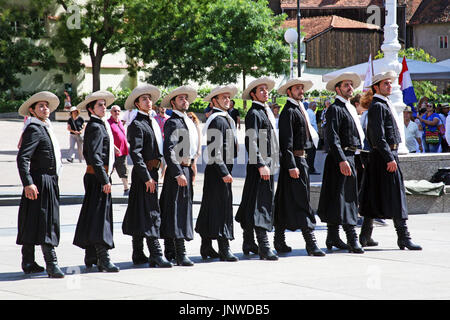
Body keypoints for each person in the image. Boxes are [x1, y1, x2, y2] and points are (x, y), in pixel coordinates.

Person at [359, 71, 422, 251]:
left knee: (373, 196)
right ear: (376, 87)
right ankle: (404, 237)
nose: (389, 86)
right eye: (385, 83)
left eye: (389, 83)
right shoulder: (378, 106)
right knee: (396, 197)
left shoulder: (382, 104)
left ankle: (364, 236)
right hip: (384, 157)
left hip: (383, 156)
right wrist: (389, 157)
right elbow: (377, 136)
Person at [121, 84, 172, 268]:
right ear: (137, 103)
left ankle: (138, 252)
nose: (148, 102)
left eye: (149, 98)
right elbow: (135, 153)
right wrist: (147, 177)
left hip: (153, 172)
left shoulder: (150, 121)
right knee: (151, 212)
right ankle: (156, 253)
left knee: (139, 211)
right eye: (144, 99)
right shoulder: (136, 124)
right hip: (145, 175)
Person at [274, 79, 325, 257]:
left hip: (300, 160)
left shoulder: (298, 108)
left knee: (283, 202)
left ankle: (279, 241)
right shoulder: (288, 111)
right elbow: (285, 143)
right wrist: (291, 165)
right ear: (289, 92)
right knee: (302, 202)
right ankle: (311, 244)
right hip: (294, 162)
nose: (301, 91)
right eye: (297, 88)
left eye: (302, 88)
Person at [16, 91, 64, 278]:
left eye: (46, 106)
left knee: (33, 221)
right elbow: (23, 158)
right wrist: (28, 183)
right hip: (38, 182)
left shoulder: (44, 127)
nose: (45, 109)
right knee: (46, 223)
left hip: (48, 181)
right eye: (41, 106)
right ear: (32, 110)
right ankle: (52, 264)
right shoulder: (34, 129)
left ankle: (28, 261)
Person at [317, 72, 365, 254]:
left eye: (351, 85)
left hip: (351, 156)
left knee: (339, 198)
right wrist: (342, 159)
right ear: (337, 89)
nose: (350, 88)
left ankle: (332, 236)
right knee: (345, 199)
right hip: (341, 159)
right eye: (346, 85)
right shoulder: (335, 109)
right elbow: (332, 137)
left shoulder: (349, 107)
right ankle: (352, 239)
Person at [73, 90, 120, 272]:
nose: (104, 107)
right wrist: (104, 179)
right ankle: (103, 257)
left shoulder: (100, 125)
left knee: (94, 215)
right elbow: (94, 155)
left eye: (104, 104)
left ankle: (91, 255)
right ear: (91, 109)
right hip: (97, 177)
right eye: (99, 105)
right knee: (101, 218)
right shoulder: (94, 126)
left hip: (99, 176)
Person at [235, 77, 279, 261]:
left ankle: (248, 242)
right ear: (253, 94)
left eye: (266, 89)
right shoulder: (254, 113)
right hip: (259, 165)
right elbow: (250, 141)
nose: (265, 92)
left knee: (252, 202)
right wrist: (261, 164)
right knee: (261, 204)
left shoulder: (263, 111)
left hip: (265, 164)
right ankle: (263, 246)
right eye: (261, 90)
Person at [195, 85, 239, 262]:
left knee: (210, 208)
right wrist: (223, 172)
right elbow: (214, 151)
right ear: (214, 101)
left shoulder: (225, 118)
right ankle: (223, 248)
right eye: (223, 97)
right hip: (218, 172)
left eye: (228, 97)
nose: (227, 100)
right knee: (221, 209)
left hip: (220, 171)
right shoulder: (217, 120)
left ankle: (206, 246)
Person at [159, 86, 199, 266]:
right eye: (180, 98)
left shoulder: (185, 120)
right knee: (176, 212)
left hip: (186, 169)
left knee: (179, 210)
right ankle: (180, 253)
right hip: (178, 171)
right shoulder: (173, 122)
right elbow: (168, 150)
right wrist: (177, 173)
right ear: (173, 102)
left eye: (186, 98)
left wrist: (191, 167)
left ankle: (171, 251)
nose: (184, 101)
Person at [107, 105, 130, 196]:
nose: (117, 113)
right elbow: (107, 137)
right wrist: (114, 148)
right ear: (111, 112)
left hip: (122, 151)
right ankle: (105, 187)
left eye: (118, 111)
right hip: (112, 152)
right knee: (109, 170)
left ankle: (126, 188)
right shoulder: (108, 123)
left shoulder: (120, 122)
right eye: (115, 111)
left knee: (123, 170)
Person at [154, 104, 170, 180]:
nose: (163, 108)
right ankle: (161, 172)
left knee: (165, 159)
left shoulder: (168, 118)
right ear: (159, 108)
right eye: (161, 107)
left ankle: (162, 176)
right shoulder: (154, 118)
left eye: (164, 107)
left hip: (166, 140)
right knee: (159, 159)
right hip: (157, 140)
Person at [187, 112, 202, 184]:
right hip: (189, 148)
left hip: (195, 148)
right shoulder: (187, 125)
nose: (189, 118)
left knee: (193, 164)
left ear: (193, 118)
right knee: (189, 164)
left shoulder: (197, 126)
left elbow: (199, 139)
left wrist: (199, 149)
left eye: (190, 117)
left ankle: (194, 179)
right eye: (188, 117)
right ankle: (189, 178)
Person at [306, 101, 320, 175]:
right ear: (313, 106)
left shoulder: (308, 112)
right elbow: (310, 125)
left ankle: (310, 168)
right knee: (311, 154)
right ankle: (311, 169)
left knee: (310, 154)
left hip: (311, 136)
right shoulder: (310, 113)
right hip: (312, 136)